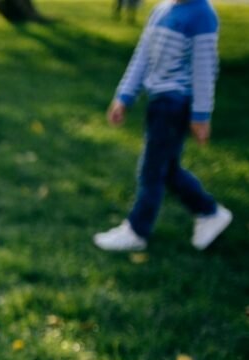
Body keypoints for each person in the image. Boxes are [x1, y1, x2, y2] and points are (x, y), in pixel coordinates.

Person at [94, 0, 232, 252]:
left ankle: (137, 231)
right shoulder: (161, 10)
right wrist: (124, 97)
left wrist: (201, 116)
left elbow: (204, 70)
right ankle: (208, 212)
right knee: (166, 169)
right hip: (158, 102)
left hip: (176, 104)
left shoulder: (202, 15)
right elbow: (142, 56)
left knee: (152, 170)